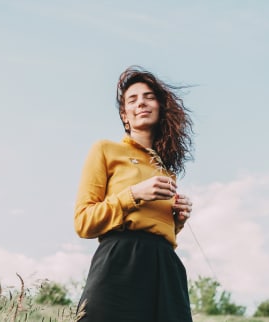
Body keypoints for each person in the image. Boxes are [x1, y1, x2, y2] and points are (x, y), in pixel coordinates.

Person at [74, 65, 194, 322]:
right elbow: (84, 222)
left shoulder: (165, 170)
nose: (141, 103)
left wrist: (177, 223)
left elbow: (156, 230)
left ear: (161, 108)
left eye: (149, 97)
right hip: (119, 261)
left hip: (165, 268)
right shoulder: (105, 150)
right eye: (133, 99)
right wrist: (133, 194)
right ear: (125, 115)